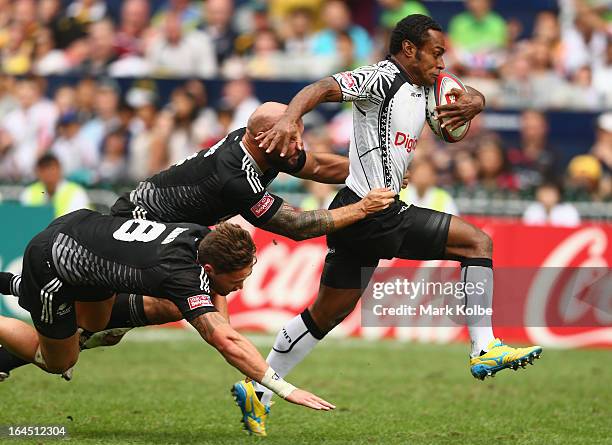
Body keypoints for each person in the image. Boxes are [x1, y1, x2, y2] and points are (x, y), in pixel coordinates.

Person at [243, 14, 542, 436]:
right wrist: (291, 117)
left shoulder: (427, 86)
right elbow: (321, 88)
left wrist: (479, 101)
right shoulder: (381, 78)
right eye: (435, 53)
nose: (442, 62)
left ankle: (258, 388)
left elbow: (463, 94)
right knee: (477, 243)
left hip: (356, 210)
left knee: (325, 315)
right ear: (408, 50)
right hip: (375, 210)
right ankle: (483, 347)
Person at [0, 102, 395, 393]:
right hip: (140, 223)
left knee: (105, 325)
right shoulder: (235, 177)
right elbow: (295, 225)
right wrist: (363, 207)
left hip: (165, 226)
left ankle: (26, 302)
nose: (299, 144)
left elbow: (317, 167)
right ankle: (37, 321)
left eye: (299, 135)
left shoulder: (265, 145)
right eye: (293, 136)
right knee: (147, 311)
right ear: (264, 137)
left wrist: (373, 169)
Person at [0, 209, 335, 412]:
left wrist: (247, 368)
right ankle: (24, 306)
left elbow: (219, 315)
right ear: (210, 269)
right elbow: (225, 340)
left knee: (97, 324)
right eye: (238, 279)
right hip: (52, 262)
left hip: (84, 234)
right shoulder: (179, 275)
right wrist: (285, 389)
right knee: (59, 360)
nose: (241, 288)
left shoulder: (204, 239)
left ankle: (14, 286)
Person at [20, 153, 91, 217]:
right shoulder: (29, 192)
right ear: (38, 172)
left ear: (59, 169)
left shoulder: (76, 192)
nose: (48, 173)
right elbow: (26, 219)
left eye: (52, 168)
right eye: (44, 169)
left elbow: (80, 222)